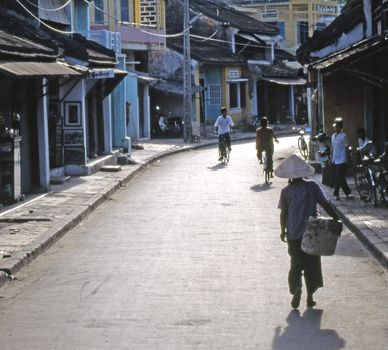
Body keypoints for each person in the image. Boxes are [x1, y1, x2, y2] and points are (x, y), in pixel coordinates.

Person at [276, 154, 340, 309]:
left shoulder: (286, 192)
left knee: (296, 264)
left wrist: (282, 231)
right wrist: (336, 219)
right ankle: (310, 297)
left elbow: (283, 214)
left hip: (294, 235)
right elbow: (325, 204)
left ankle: (296, 287)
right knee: (312, 265)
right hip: (312, 233)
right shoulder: (312, 186)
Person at [331, 118, 353, 200]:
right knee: (339, 177)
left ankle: (336, 193)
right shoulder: (333, 136)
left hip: (342, 159)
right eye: (335, 126)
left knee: (338, 176)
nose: (335, 128)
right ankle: (347, 193)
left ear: (340, 127)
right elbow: (333, 148)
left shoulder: (344, 136)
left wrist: (348, 159)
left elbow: (347, 148)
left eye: (337, 126)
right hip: (335, 159)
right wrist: (331, 159)